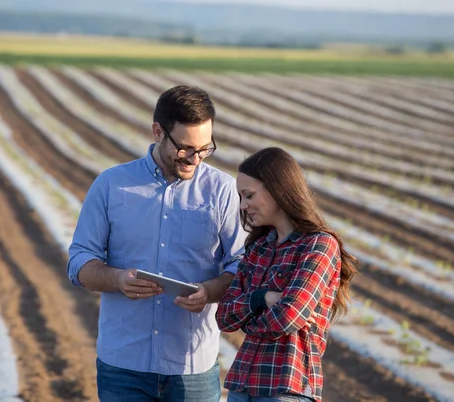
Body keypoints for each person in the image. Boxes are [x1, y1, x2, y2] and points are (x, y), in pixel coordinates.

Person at [67, 85, 247, 401]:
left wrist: (209, 293)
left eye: (205, 148)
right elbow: (80, 262)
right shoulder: (111, 185)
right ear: (157, 132)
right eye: (186, 148)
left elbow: (241, 266)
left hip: (191, 367)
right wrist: (118, 280)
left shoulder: (222, 190)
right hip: (123, 365)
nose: (196, 158)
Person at [216, 147, 358, 402]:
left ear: (276, 189)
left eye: (249, 195)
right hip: (241, 385)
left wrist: (247, 317)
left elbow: (288, 317)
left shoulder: (319, 245)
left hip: (287, 388)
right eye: (241, 197)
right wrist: (261, 299)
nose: (243, 205)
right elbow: (224, 317)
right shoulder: (258, 247)